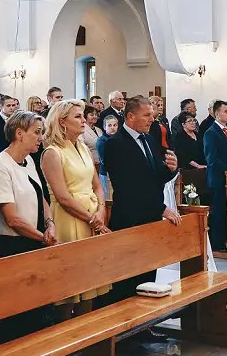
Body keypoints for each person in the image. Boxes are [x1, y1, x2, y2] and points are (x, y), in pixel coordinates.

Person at [100, 96, 179, 307]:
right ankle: (126, 319)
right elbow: (127, 187)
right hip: (130, 218)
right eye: (147, 115)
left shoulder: (149, 139)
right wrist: (161, 208)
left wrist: (172, 170)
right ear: (130, 116)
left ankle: (145, 317)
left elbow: (156, 177)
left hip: (150, 217)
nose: (152, 119)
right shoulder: (115, 144)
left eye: (152, 115)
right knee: (129, 278)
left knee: (148, 274)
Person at [40, 100, 112, 313]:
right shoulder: (52, 152)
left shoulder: (83, 147)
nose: (84, 120)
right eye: (78, 117)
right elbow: (62, 197)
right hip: (69, 217)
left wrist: (100, 210)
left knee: (90, 283)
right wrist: (92, 218)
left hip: (93, 215)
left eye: (83, 116)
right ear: (62, 122)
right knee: (70, 286)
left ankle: (88, 327)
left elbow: (97, 185)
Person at [202, 100, 227, 252]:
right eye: (226, 111)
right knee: (219, 211)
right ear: (217, 113)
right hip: (218, 178)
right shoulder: (211, 133)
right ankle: (217, 244)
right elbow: (212, 159)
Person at [96, 114, 120, 198]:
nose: (112, 128)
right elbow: (104, 161)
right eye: (109, 125)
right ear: (104, 127)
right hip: (107, 174)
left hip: (118, 172)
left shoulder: (118, 139)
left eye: (115, 125)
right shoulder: (102, 141)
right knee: (108, 197)